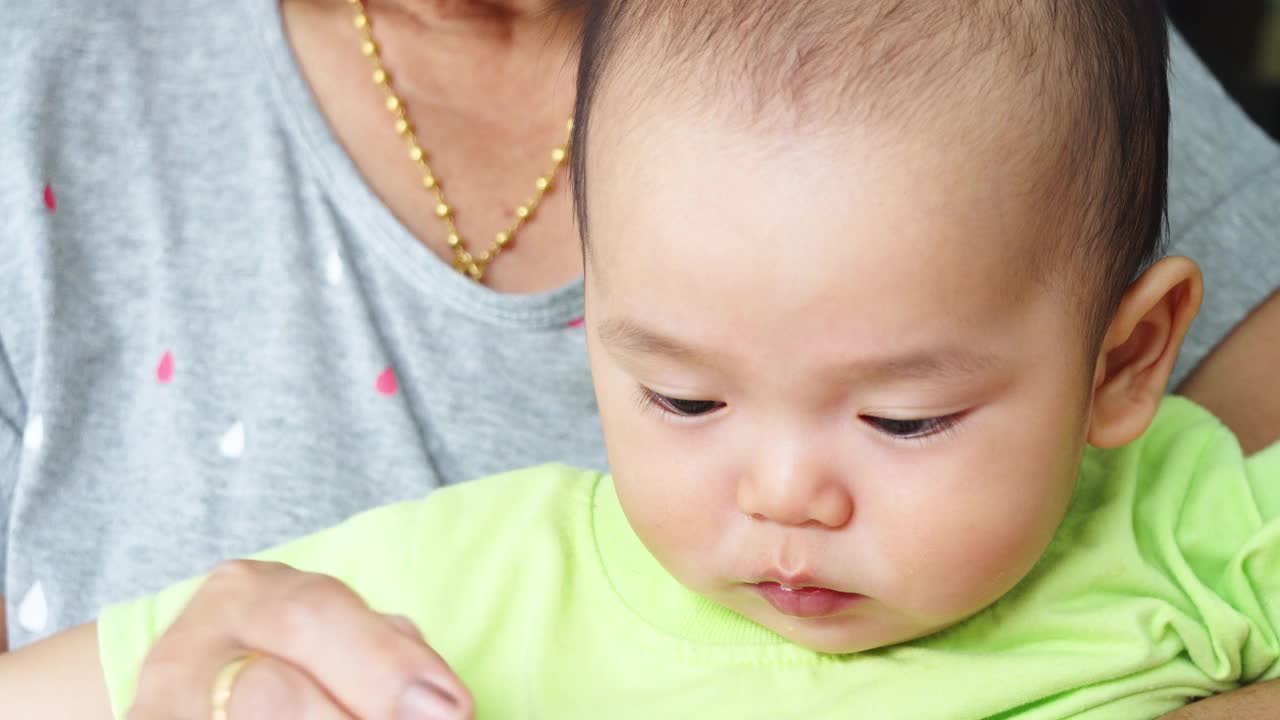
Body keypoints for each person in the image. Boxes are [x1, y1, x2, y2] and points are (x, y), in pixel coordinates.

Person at [3, 0, 1279, 718]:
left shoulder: (1182, 523)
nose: (783, 495)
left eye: (904, 419)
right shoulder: (505, 573)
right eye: (681, 397)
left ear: (1123, 363)